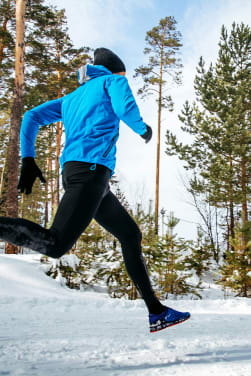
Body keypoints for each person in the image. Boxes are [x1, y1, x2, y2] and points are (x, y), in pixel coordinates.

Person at [0, 48, 190, 332]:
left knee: (130, 234)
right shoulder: (112, 81)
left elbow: (31, 117)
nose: (124, 79)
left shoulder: (70, 99)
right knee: (56, 244)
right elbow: (125, 107)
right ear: (115, 70)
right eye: (123, 75)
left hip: (90, 178)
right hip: (89, 174)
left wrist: (29, 157)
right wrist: (142, 129)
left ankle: (156, 312)